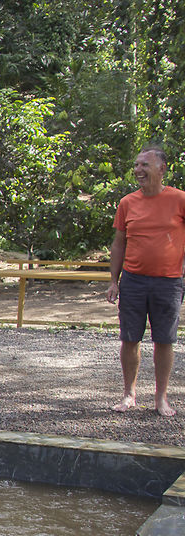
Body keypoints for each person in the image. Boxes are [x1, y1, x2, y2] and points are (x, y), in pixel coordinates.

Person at [105, 145, 185, 416]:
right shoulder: (128, 202)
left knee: (164, 340)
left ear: (162, 169)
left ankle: (161, 398)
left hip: (169, 281)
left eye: (145, 165)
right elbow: (118, 244)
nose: (138, 170)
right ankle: (129, 394)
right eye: (136, 165)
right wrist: (114, 281)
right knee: (130, 338)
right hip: (134, 281)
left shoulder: (179, 200)